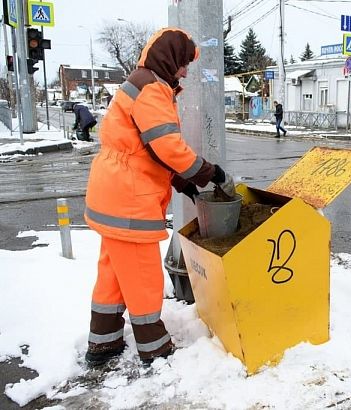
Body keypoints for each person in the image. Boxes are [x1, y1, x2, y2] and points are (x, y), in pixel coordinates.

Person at [83, 28, 235, 367]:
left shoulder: (141, 82)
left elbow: (146, 149)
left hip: (112, 194)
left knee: (112, 273)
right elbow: (166, 146)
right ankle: (155, 347)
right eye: (183, 64)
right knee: (142, 274)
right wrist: (205, 172)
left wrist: (180, 181)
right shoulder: (152, 88)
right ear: (170, 59)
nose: (184, 72)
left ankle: (103, 341)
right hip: (129, 199)